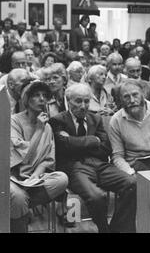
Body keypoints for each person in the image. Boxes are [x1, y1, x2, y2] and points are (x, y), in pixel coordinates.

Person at [49, 84, 136, 233]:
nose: (83, 106)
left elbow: (106, 149)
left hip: (100, 165)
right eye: (78, 101)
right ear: (68, 101)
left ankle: (117, 228)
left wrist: (74, 142)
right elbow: (64, 147)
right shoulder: (58, 120)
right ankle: (104, 229)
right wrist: (93, 140)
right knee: (96, 196)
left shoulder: (96, 119)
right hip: (75, 168)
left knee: (132, 183)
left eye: (87, 101)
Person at [9, 81, 68, 233]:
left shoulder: (47, 126)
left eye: (45, 96)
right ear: (27, 100)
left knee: (62, 179)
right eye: (36, 95)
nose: (42, 99)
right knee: (17, 196)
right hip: (12, 177)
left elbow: (48, 159)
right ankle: (19, 215)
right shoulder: (14, 121)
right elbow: (22, 157)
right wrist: (39, 130)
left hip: (33, 180)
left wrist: (34, 177)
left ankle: (17, 209)